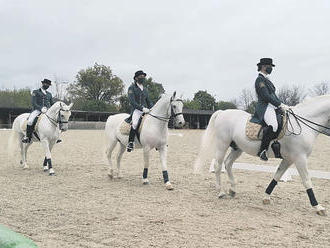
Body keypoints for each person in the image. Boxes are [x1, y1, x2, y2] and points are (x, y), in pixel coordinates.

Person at [250, 58, 290, 161]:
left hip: (272, 106)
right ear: (263, 66)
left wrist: (282, 105)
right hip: (264, 106)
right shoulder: (259, 80)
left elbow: (273, 95)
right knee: (273, 125)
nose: (271, 68)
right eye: (270, 66)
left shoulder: (267, 80)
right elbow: (266, 96)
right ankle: (262, 150)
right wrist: (279, 104)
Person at [125, 70, 153, 152]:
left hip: (146, 110)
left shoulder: (145, 89)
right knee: (135, 123)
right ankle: (130, 142)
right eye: (141, 76)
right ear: (136, 78)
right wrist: (142, 108)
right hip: (136, 110)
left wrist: (152, 108)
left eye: (144, 77)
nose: (143, 78)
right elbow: (132, 102)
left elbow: (149, 101)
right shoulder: (132, 88)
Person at [22, 78, 54, 143]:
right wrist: (41, 108)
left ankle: (55, 136)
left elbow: (52, 103)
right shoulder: (35, 92)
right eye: (46, 84)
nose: (47, 86)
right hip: (37, 110)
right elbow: (34, 103)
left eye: (48, 85)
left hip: (47, 111)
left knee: (55, 119)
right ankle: (27, 137)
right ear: (43, 84)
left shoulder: (49, 94)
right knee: (30, 121)